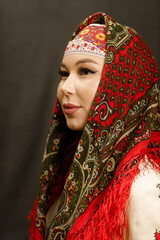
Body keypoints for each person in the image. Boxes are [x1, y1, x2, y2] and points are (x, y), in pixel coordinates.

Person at [28, 12, 160, 240]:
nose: (65, 88)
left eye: (85, 71)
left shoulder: (144, 191)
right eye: (63, 74)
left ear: (124, 82)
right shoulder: (69, 175)